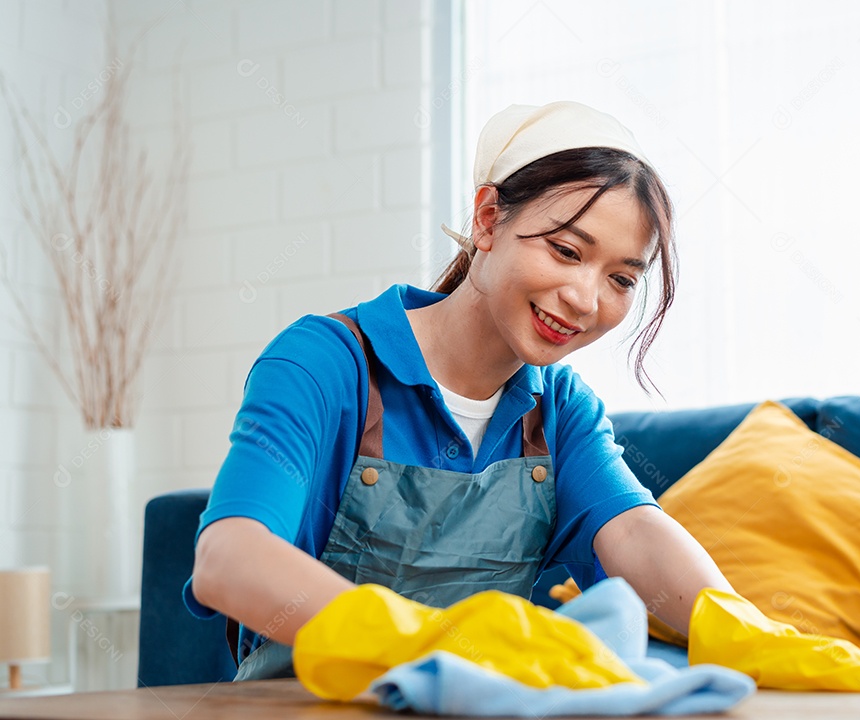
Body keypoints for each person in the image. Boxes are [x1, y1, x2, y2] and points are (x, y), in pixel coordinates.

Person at [185, 100, 736, 681]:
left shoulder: (559, 409)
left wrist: (737, 628)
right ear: (489, 219)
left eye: (621, 279)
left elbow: (634, 531)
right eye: (567, 251)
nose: (586, 299)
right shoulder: (327, 362)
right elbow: (229, 558)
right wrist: (426, 639)